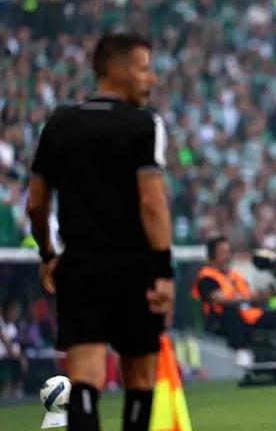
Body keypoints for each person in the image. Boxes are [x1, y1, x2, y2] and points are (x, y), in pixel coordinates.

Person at [26, 32, 175, 431]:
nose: (151, 79)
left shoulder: (59, 123)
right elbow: (152, 202)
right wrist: (162, 270)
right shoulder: (145, 125)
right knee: (140, 379)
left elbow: (36, 203)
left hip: (80, 265)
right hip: (136, 266)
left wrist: (47, 254)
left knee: (85, 377)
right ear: (118, 70)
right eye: (144, 69)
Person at [192, 236, 276, 366]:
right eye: (222, 252)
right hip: (223, 320)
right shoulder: (206, 277)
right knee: (231, 311)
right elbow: (220, 299)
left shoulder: (235, 276)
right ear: (212, 255)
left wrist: (266, 296)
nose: (227, 255)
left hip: (250, 315)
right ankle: (242, 351)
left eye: (229, 251)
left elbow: (250, 296)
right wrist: (250, 299)